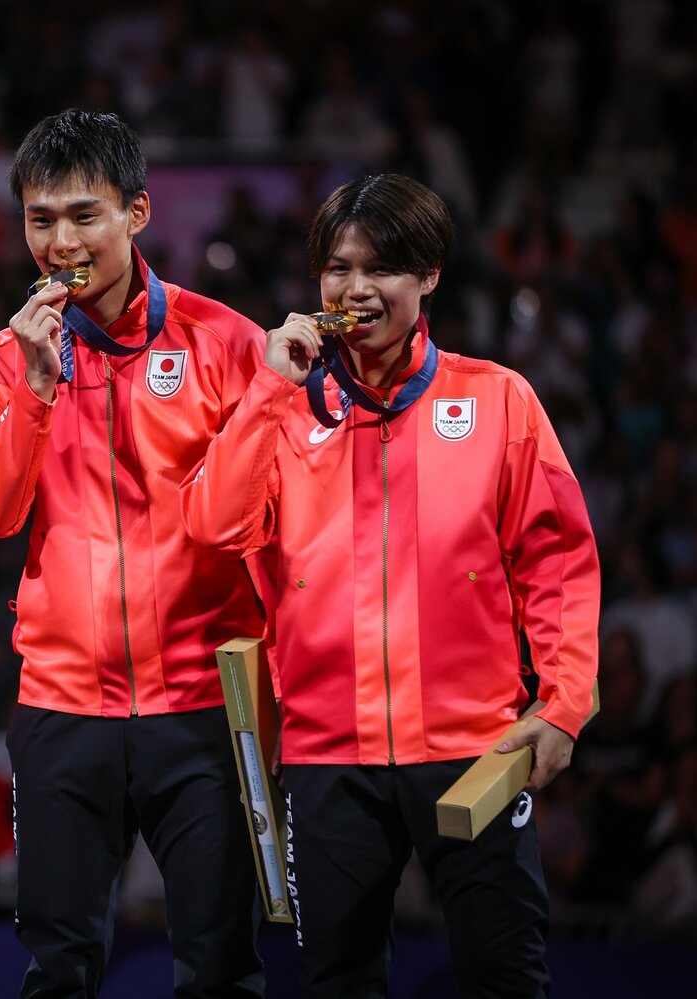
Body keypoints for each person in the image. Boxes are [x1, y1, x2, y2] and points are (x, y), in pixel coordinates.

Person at [183, 173, 600, 997]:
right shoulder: (284, 408)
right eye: (337, 269)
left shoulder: (498, 401)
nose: (355, 290)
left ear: (430, 274)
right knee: (337, 980)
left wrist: (563, 702)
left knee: (507, 976)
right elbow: (215, 527)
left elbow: (557, 566)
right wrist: (268, 388)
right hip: (326, 754)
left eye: (382, 269)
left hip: (473, 746)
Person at [0, 109, 267, 998]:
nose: (60, 241)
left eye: (83, 215)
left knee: (221, 968)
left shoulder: (229, 346)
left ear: (137, 213)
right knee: (58, 969)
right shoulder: (5, 358)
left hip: (203, 706)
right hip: (61, 708)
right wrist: (37, 389)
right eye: (40, 218)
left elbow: (271, 524)